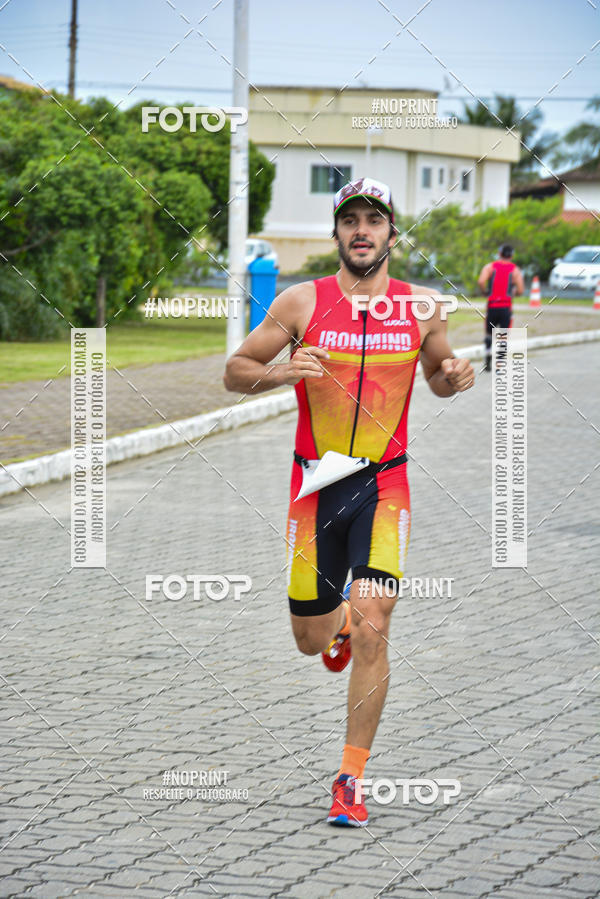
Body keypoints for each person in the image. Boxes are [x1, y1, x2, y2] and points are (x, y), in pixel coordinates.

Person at [223, 177, 474, 827]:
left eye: (375, 220)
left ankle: (350, 776)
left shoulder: (420, 308)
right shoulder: (302, 301)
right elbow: (235, 370)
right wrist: (282, 371)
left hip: (386, 483)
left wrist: (452, 375)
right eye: (351, 219)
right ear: (337, 232)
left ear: (393, 233)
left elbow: (440, 374)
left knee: (375, 619)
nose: (363, 230)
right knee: (312, 639)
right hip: (315, 487)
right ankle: (330, 627)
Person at [477, 245, 524, 371]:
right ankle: (499, 365)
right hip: (506, 307)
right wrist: (515, 293)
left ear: (499, 254)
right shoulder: (515, 270)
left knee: (488, 334)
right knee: (503, 336)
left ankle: (487, 358)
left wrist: (485, 292)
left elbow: (481, 281)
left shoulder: (490, 267)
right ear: (512, 256)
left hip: (492, 306)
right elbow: (520, 289)